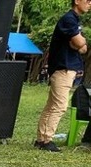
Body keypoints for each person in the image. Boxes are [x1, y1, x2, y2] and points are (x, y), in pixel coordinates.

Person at [34, 0, 89, 152]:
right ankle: (46, 140)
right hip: (63, 68)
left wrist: (80, 43)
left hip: (66, 68)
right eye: (87, 0)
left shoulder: (75, 20)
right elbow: (80, 43)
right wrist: (79, 42)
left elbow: (83, 47)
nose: (90, 4)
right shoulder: (69, 19)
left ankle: (41, 138)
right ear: (77, 1)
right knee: (60, 106)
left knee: (52, 105)